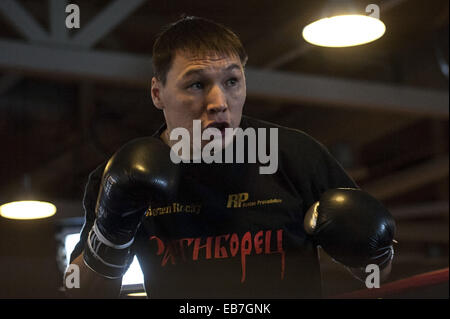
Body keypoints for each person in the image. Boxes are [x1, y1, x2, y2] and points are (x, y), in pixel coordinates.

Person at [65, 16, 395, 299]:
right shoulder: (122, 174)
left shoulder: (294, 156)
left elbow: (377, 274)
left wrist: (373, 252)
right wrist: (110, 235)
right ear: (157, 93)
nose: (219, 101)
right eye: (196, 84)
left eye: (232, 81)